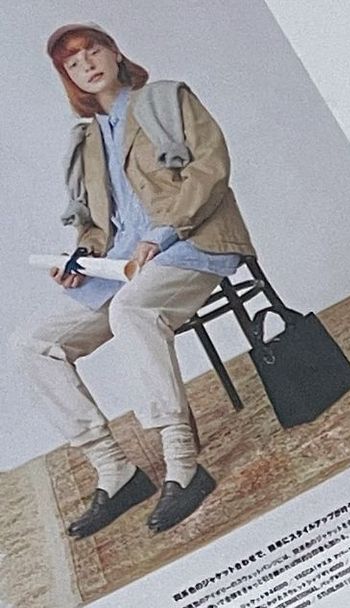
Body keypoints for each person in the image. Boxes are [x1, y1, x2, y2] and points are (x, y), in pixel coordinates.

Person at [14, 25, 254, 539]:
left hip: (192, 243)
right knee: (31, 344)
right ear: (68, 78)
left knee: (131, 311)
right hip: (124, 265)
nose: (87, 65)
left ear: (115, 52)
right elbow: (97, 224)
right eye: (73, 63)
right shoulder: (86, 140)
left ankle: (183, 465)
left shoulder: (166, 99)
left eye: (93, 51)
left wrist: (161, 235)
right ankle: (115, 471)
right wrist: (80, 260)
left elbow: (211, 170)